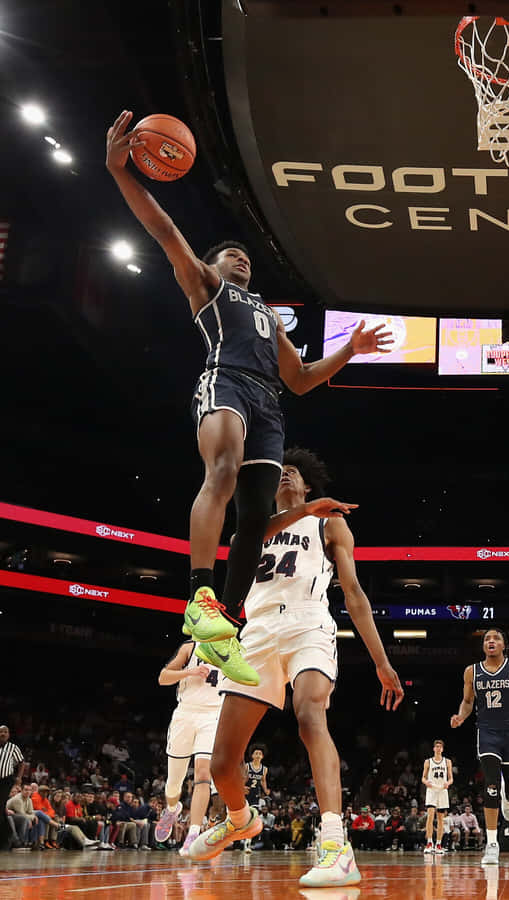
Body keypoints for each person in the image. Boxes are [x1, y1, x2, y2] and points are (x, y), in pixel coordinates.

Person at [105, 111, 390, 686]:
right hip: (226, 382)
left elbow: (303, 379)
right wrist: (122, 173)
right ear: (209, 267)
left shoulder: (268, 314)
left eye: (247, 259)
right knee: (225, 470)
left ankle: (223, 625)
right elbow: (163, 229)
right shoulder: (207, 288)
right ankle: (199, 595)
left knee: (258, 514)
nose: (242, 259)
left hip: (268, 402)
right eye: (231, 255)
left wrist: (350, 351)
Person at [188, 447, 403, 888]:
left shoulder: (329, 523)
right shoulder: (251, 530)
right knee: (224, 765)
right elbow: (243, 544)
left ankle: (335, 844)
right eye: (280, 472)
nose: (286, 475)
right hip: (258, 633)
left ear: (308, 484)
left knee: (309, 714)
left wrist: (382, 661)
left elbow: (355, 593)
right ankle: (239, 819)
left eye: (294, 473)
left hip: (308, 623)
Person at [450, 628, 509, 866]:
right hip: (487, 733)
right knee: (490, 785)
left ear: (503, 645)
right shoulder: (472, 671)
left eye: (496, 638)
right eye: (487, 638)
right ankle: (492, 844)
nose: (491, 641)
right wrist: (460, 717)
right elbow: (467, 702)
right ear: (483, 646)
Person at [155, 640, 224, 857]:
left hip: (212, 716)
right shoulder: (190, 647)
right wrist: (189, 672)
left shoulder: (235, 650)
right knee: (173, 784)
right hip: (185, 714)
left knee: (203, 775)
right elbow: (163, 678)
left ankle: (193, 834)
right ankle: (173, 808)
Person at [422, 740, 453, 855]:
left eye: (440, 747)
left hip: (442, 790)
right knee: (430, 816)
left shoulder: (447, 762)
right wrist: (426, 783)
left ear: (442, 749)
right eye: (436, 746)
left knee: (441, 819)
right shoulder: (428, 762)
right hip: (431, 790)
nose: (438, 748)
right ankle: (429, 842)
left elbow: (451, 778)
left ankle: (438, 844)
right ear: (434, 749)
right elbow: (423, 778)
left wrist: (448, 783)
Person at [0, 725, 25, 851]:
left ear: (9, 734)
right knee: (1, 811)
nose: (3, 734)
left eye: (5, 732)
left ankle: (7, 838)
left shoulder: (13, 747)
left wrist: (19, 778)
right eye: (1, 732)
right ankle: (9, 837)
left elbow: (21, 762)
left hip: (6, 780)